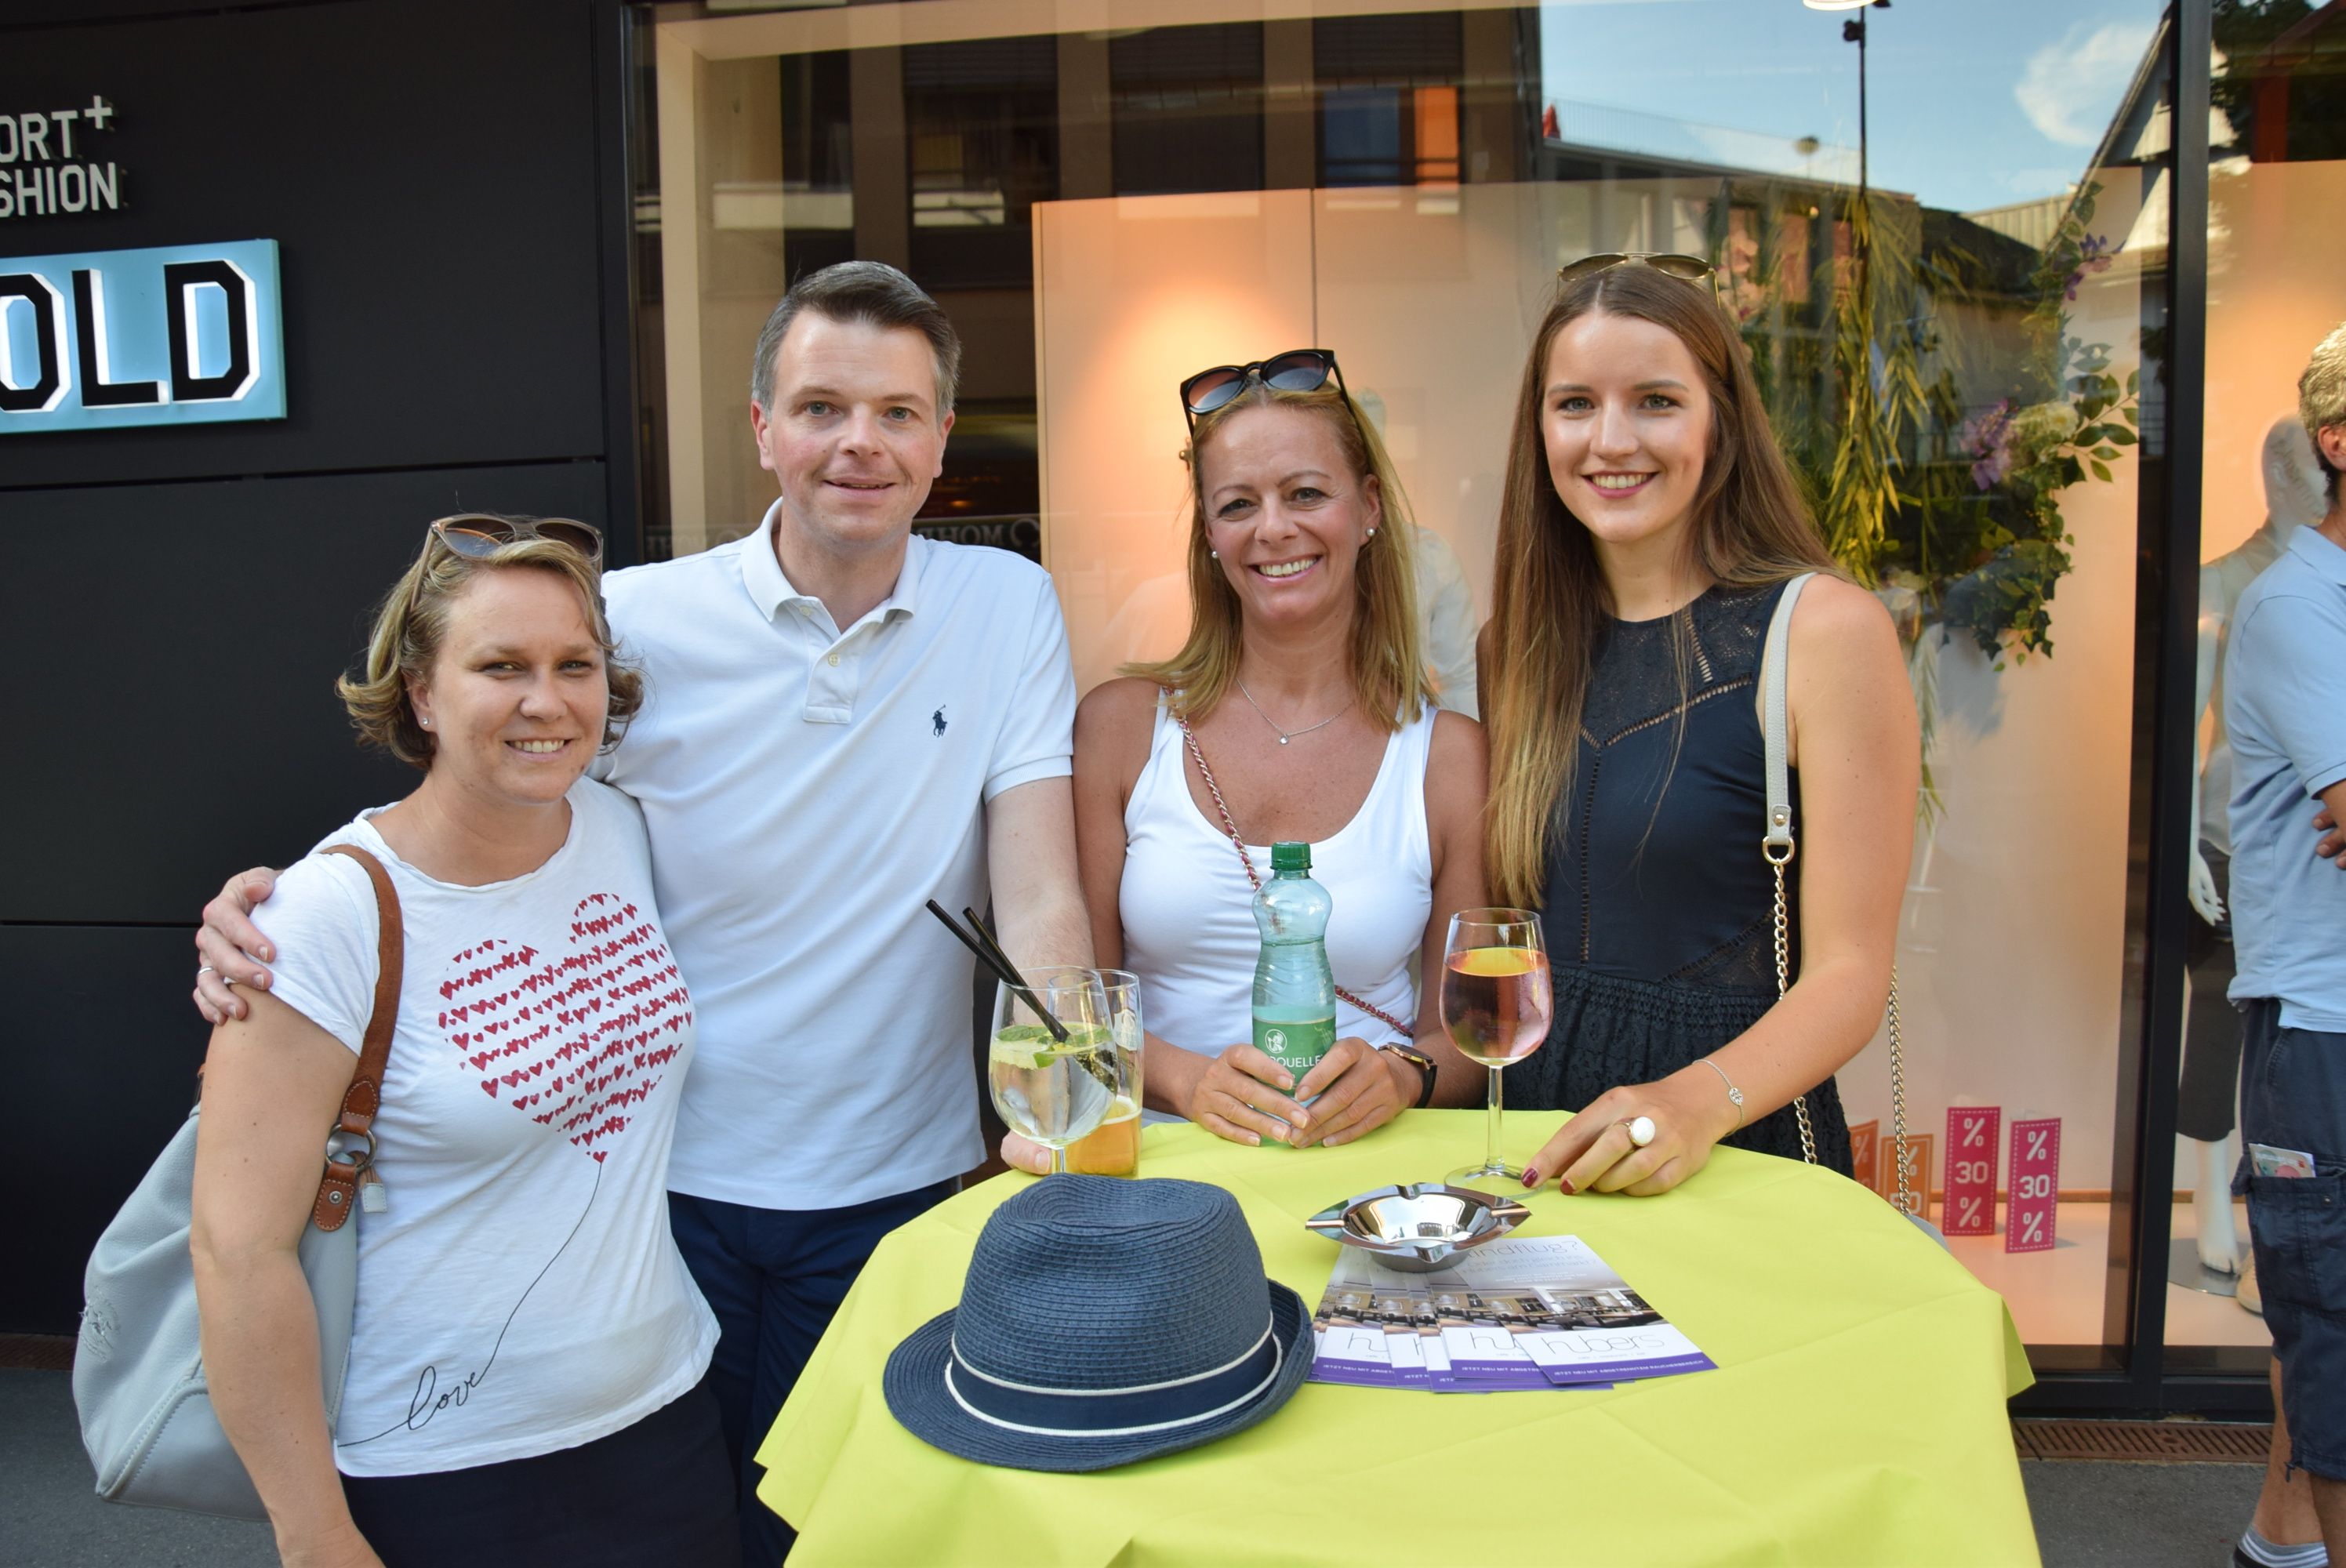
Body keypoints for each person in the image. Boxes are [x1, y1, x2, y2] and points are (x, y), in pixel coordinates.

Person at [194, 262, 1091, 1566]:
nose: (860, 442)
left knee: (839, 1539)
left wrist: (1073, 1092)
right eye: (822, 407)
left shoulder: (1007, 605)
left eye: (898, 412)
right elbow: (492, 785)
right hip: (662, 1192)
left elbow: (1041, 891)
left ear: (942, 437)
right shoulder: (636, 625)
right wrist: (290, 907)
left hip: (897, 1183)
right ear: (762, 428)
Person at [189, 518, 734, 1567]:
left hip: (664, 1417)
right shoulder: (326, 916)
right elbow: (237, 1252)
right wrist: (314, 1534)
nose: (547, 700)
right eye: (501, 666)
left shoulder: (619, 828)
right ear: (422, 694)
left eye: (575, 665)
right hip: (444, 1471)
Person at [1477, 253, 1918, 1197]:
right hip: (1542, 1145)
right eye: (1574, 404)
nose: (1610, 440)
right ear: (1538, 427)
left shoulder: (1824, 629)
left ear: (1719, 421)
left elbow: (1849, 974)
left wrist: (1689, 1103)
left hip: (1733, 1143)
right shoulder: (1514, 645)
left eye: (1655, 401)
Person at [1003, 348, 1484, 1171]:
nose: (1273, 529)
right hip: (1159, 1173)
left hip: (1370, 1183)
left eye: (1306, 493)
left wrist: (1403, 1074)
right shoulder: (1122, 729)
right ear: (1209, 535)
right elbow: (1078, 1007)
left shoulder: (1447, 757)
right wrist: (1188, 1081)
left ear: (1369, 506)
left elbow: (1469, 1041)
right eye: (1237, 504)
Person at [2222, 320, 2346, 1568]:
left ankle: (2278, 1544)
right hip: (2324, 1024)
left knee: (2327, 1330)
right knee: (2335, 1331)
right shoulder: (2297, 606)